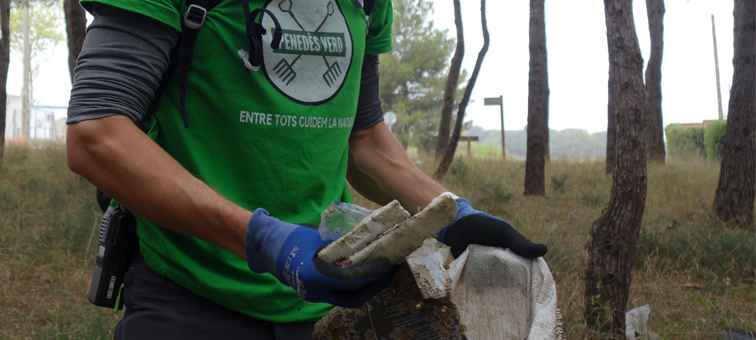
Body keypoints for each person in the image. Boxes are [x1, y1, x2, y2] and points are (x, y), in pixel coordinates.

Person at [65, 1, 548, 339]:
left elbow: (364, 138)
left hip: (331, 304)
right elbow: (97, 133)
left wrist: (451, 214)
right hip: (192, 295)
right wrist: (264, 240)